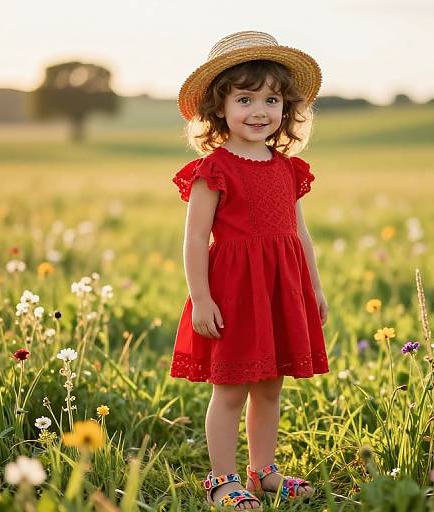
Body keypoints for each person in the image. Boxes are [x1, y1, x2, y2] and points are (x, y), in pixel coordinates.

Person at [170, 30, 330, 510]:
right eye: (245, 98)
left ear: (287, 108)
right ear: (220, 108)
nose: (260, 111)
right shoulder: (213, 170)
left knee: (270, 387)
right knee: (232, 389)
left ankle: (264, 471)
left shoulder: (288, 169)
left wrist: (314, 290)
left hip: (282, 290)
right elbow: (196, 239)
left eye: (272, 99)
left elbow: (300, 235)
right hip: (235, 293)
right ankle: (223, 479)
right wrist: (201, 297)